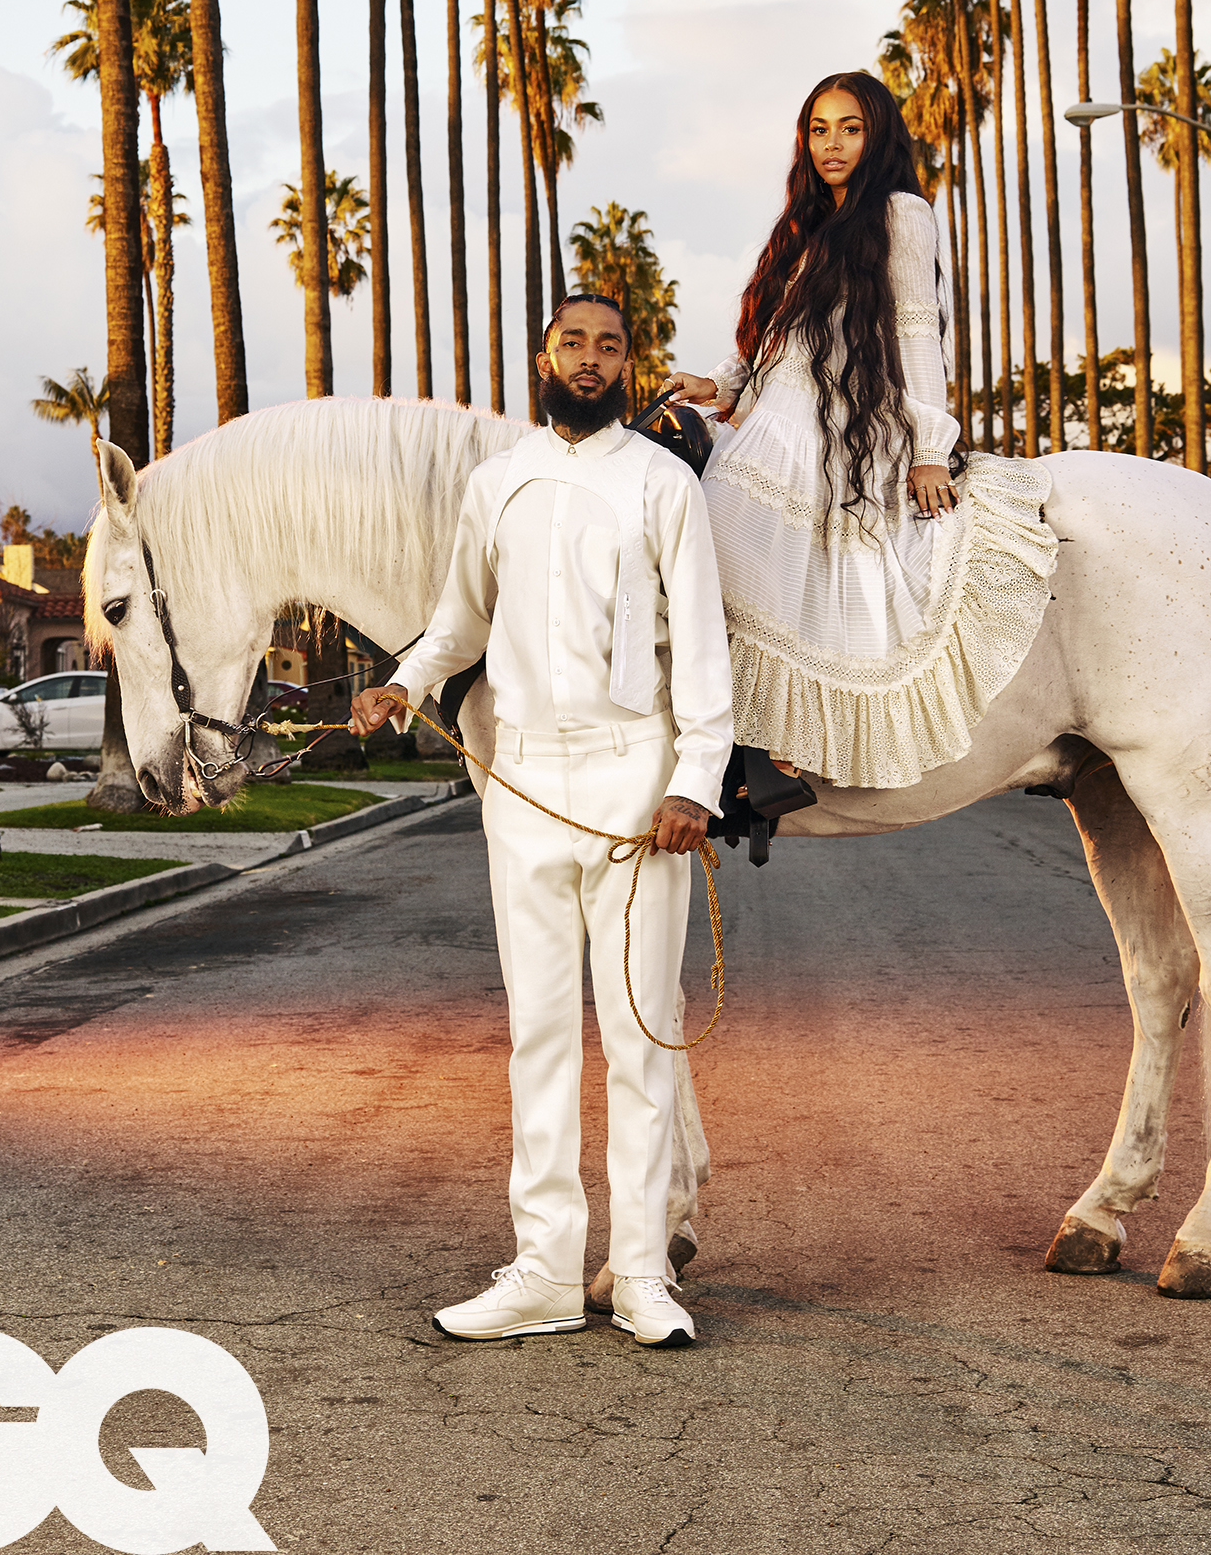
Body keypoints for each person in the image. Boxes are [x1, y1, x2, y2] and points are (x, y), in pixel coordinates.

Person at [351, 294, 734, 1349]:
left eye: (609, 346)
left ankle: (643, 1271)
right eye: (574, 343)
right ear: (543, 358)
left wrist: (695, 781)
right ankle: (545, 1273)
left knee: (641, 1036)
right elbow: (458, 618)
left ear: (627, 366)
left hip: (633, 781)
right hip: (521, 784)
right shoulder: (499, 481)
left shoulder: (661, 482)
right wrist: (403, 683)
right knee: (539, 1037)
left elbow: (702, 642)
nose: (590, 359)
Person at [664, 70, 1057, 797]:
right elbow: (778, 338)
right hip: (770, 421)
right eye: (819, 130)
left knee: (727, 541)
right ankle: (734, 740)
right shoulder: (806, 224)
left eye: (850, 128)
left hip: (835, 428)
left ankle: (773, 747)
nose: (833, 144)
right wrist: (719, 385)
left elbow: (916, 334)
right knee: (697, 548)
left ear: (878, 138)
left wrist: (929, 449)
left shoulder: (901, 213)